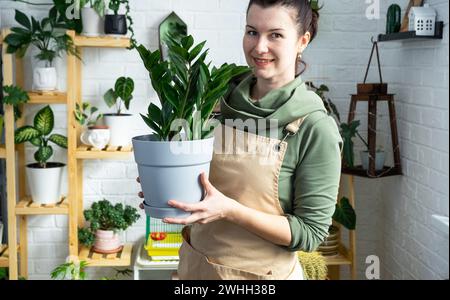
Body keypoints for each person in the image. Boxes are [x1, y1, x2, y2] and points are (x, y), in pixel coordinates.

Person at [138, 0, 342, 280]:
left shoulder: (314, 126)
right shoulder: (214, 100)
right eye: (252, 32)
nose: (259, 47)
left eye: (276, 35)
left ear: (302, 41)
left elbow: (309, 234)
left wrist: (229, 211)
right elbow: (203, 185)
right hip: (197, 269)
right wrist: (166, 183)